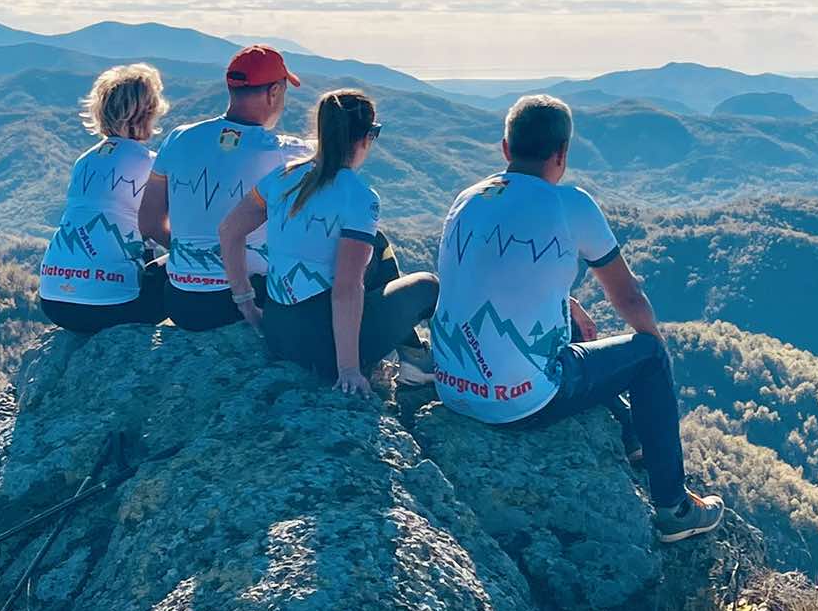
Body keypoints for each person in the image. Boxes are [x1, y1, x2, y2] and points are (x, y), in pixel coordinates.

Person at [432, 94, 723, 542]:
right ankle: (673, 507)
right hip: (518, 405)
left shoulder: (468, 198)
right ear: (562, 154)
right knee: (646, 356)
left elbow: (491, 282)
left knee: (574, 332)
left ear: (505, 148)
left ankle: (632, 436)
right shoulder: (571, 205)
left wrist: (567, 302)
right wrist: (654, 352)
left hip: (452, 388)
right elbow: (627, 296)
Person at [218, 89, 437, 392]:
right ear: (365, 138)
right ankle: (415, 359)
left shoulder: (281, 177)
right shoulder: (359, 198)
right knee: (427, 286)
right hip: (321, 350)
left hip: (277, 331)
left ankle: (410, 356)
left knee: (376, 243)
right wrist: (347, 369)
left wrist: (247, 304)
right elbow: (347, 287)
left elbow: (229, 231)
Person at [138, 45, 307, 331]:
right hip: (244, 300)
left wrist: (194, 254)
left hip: (181, 300)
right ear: (274, 92)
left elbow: (149, 222)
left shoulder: (178, 138)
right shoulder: (285, 153)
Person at [38, 63, 171, 333]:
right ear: (148, 112)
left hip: (54, 302)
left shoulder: (84, 161)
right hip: (113, 308)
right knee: (195, 259)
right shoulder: (151, 164)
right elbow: (161, 229)